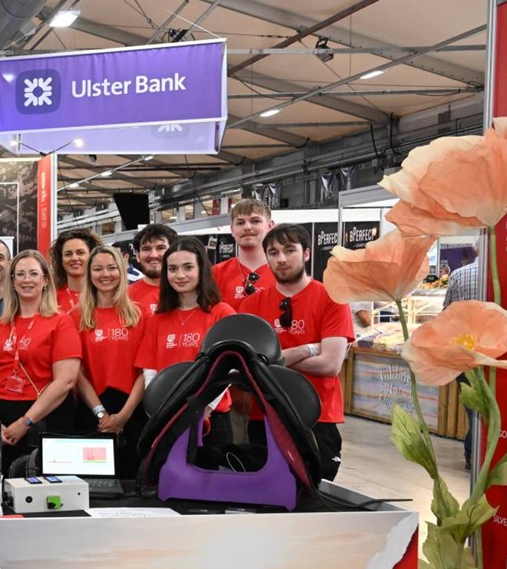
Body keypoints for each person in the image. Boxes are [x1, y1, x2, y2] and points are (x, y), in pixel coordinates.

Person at [239, 224, 354, 481]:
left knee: (313, 494)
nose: (281, 259)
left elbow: (330, 365)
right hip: (264, 414)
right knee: (264, 494)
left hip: (317, 414)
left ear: (306, 254)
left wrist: (270, 361)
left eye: (289, 250)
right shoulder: (251, 304)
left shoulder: (332, 298)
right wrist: (309, 348)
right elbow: (248, 364)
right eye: (273, 252)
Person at [0, 251, 81, 470]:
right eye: (20, 274)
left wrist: (25, 422)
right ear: (12, 282)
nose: (26, 280)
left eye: (33, 274)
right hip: (1, 417)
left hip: (44, 416)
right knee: (0, 486)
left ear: (45, 280)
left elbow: (66, 381)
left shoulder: (60, 322)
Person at [136, 238, 238, 443]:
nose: (180, 275)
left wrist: (204, 409)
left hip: (211, 418)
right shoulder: (159, 318)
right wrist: (159, 407)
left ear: (202, 269)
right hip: (168, 418)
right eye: (172, 269)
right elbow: (150, 370)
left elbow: (230, 368)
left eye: (188, 267)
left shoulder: (222, 313)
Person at [74, 245, 148, 477]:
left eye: (111, 268)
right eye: (97, 269)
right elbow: (77, 372)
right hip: (91, 409)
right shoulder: (75, 317)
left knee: (131, 480)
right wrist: (101, 414)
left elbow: (147, 370)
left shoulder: (141, 314)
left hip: (134, 408)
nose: (105, 274)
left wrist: (123, 416)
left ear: (122, 270)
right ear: (89, 274)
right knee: (95, 482)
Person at [444, 261, 483, 470]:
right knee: (487, 408)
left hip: (463, 351)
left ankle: (471, 453)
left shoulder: (459, 274)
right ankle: (479, 452)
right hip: (490, 349)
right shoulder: (505, 271)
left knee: (472, 409)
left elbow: (446, 313)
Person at [212, 198, 278, 305]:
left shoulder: (284, 272)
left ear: (270, 226)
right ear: (232, 230)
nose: (247, 227)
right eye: (240, 223)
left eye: (255, 221)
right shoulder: (215, 274)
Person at [129, 223, 176, 313]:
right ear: (138, 256)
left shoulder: (187, 293)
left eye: (161, 248)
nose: (153, 255)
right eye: (146, 249)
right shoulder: (125, 297)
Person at [51, 228, 99, 314]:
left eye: (80, 253)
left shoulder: (104, 295)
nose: (74, 258)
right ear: (60, 259)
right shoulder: (51, 298)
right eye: (68, 254)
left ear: (92, 256)